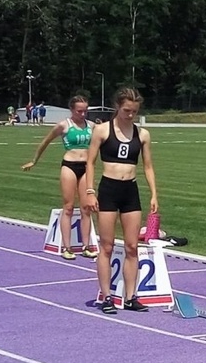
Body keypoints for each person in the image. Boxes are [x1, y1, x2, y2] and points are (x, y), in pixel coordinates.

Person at [85, 88, 158, 314]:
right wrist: (89, 191)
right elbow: (90, 162)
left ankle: (130, 296)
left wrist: (154, 193)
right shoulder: (102, 130)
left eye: (134, 111)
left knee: (132, 246)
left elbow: (147, 166)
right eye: (126, 110)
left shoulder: (142, 134)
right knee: (106, 246)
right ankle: (107, 296)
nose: (130, 115)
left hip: (130, 191)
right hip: (108, 189)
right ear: (117, 106)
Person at [22, 96, 98, 260]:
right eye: (79, 111)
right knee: (68, 207)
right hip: (69, 166)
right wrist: (34, 161)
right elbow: (45, 142)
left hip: (86, 168)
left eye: (85, 110)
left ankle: (86, 246)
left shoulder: (92, 126)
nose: (83, 114)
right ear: (72, 110)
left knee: (86, 208)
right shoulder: (64, 125)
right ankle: (67, 247)